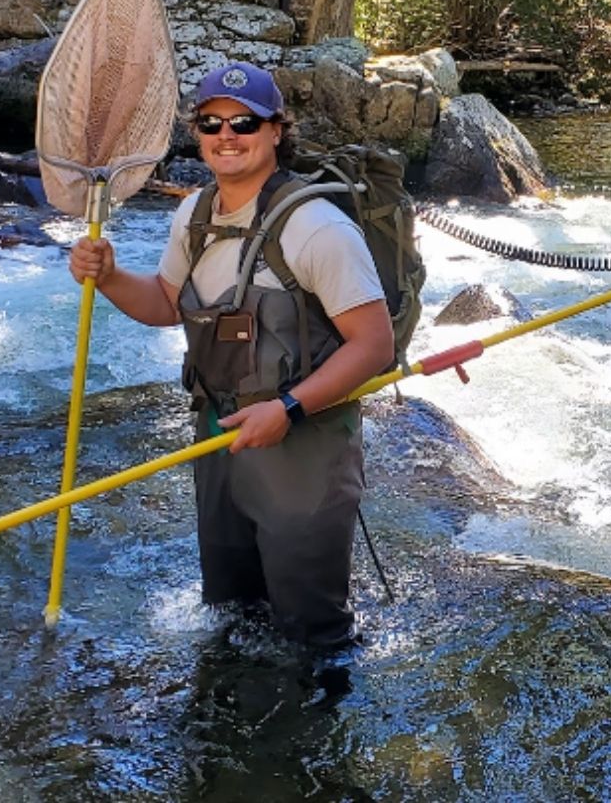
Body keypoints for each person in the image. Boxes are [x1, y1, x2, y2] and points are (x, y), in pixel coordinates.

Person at [68, 61, 394, 647]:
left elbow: (374, 345)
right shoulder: (192, 216)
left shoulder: (317, 228)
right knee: (230, 616)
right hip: (219, 437)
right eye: (211, 122)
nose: (227, 136)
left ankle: (314, 734)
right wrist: (112, 276)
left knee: (312, 634)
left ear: (275, 131)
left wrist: (288, 408)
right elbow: (167, 304)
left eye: (244, 122)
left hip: (304, 449)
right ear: (197, 133)